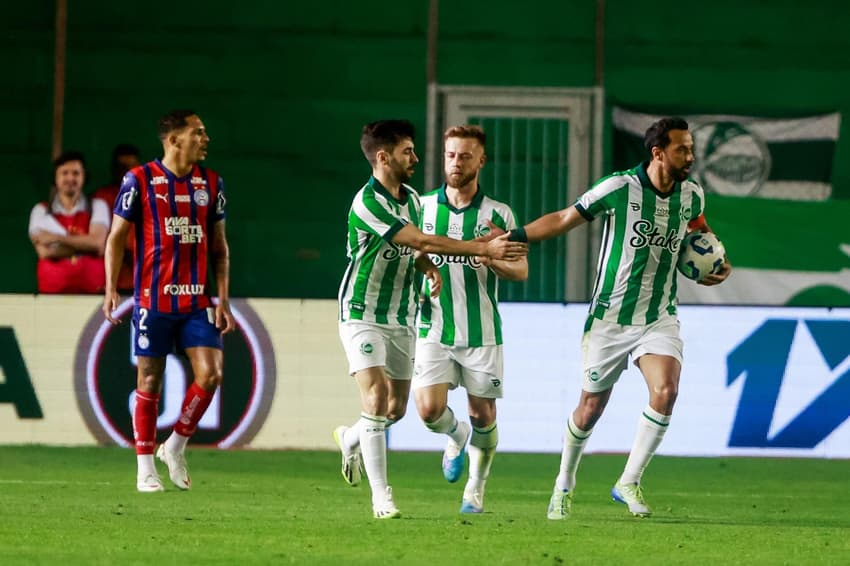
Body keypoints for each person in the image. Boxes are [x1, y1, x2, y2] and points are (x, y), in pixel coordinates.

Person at [499, 117, 731, 519]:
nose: (690, 156)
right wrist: (514, 236)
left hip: (658, 315)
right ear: (658, 153)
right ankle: (563, 484)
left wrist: (718, 262)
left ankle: (628, 481)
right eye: (682, 149)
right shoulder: (619, 188)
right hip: (609, 317)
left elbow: (701, 234)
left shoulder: (692, 195)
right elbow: (564, 218)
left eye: (691, 149)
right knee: (590, 408)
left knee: (666, 391)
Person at [333, 119, 527, 519]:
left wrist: (427, 267)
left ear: (481, 160)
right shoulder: (370, 203)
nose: (418, 158)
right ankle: (382, 498)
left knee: (396, 409)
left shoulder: (413, 201)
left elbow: (418, 250)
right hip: (366, 313)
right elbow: (420, 240)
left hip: (419, 319)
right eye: (408, 151)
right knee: (381, 399)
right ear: (384, 157)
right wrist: (481, 248)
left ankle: (352, 439)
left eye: (464, 156)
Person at [102, 109, 235, 493]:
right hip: (153, 300)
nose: (205, 139)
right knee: (149, 379)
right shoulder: (139, 179)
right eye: (198, 132)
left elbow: (220, 247)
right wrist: (110, 287)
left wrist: (223, 298)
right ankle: (145, 467)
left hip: (197, 301)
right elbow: (116, 237)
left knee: (211, 374)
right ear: (174, 139)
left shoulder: (211, 183)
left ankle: (175, 445)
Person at [413, 125, 528, 514]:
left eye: (465, 156)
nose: (456, 163)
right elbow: (410, 253)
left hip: (482, 331)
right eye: (450, 155)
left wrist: (492, 259)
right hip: (433, 326)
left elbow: (521, 270)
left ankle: (475, 490)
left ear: (481, 161)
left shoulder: (498, 214)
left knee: (484, 415)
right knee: (428, 411)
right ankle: (454, 435)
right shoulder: (421, 208)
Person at [28, 151, 110, 294]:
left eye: (76, 173)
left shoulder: (98, 205)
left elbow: (97, 244)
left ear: (84, 177)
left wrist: (56, 238)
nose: (70, 178)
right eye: (64, 173)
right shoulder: (41, 210)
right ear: (55, 178)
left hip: (93, 295)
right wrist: (85, 246)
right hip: (50, 295)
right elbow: (45, 252)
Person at [93, 144, 142, 293]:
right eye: (123, 167)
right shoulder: (102, 197)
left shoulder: (148, 196)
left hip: (143, 281)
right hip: (110, 282)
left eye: (133, 167)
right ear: (114, 170)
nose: (128, 172)